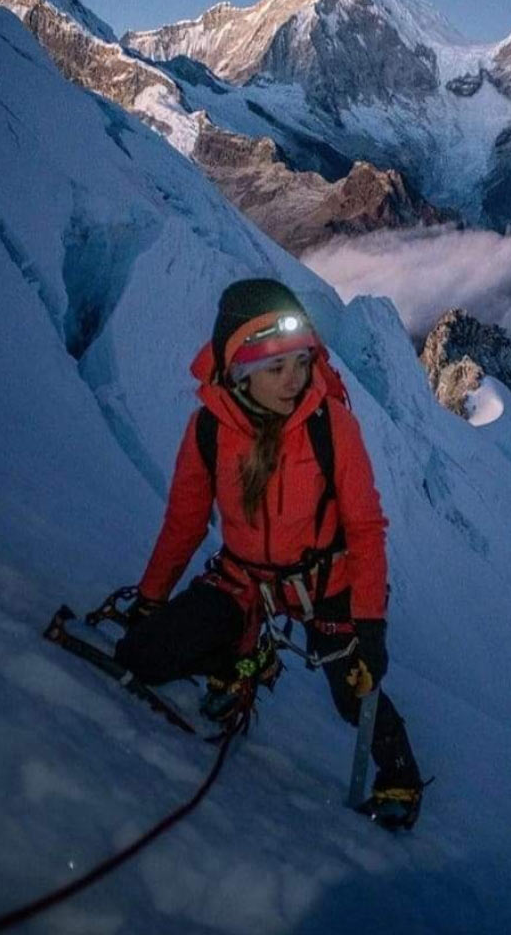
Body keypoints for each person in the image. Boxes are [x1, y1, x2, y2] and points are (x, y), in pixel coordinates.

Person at [116, 278, 423, 828]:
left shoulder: (332, 426)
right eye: (276, 369)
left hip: (327, 583)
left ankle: (399, 774)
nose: (295, 381)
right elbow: (184, 523)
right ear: (240, 372)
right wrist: (150, 598)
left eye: (301, 364)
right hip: (247, 581)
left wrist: (369, 624)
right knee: (145, 653)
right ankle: (243, 662)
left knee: (355, 689)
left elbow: (365, 529)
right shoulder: (209, 429)